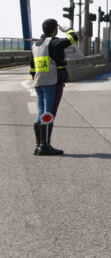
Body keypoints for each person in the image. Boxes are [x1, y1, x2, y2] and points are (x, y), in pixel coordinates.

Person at [28, 18, 77, 156]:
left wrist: (37, 80)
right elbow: (73, 38)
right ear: (55, 29)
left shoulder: (36, 45)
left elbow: (32, 68)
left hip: (39, 84)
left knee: (41, 113)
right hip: (52, 82)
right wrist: (67, 29)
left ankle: (38, 145)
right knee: (49, 113)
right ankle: (45, 146)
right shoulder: (54, 43)